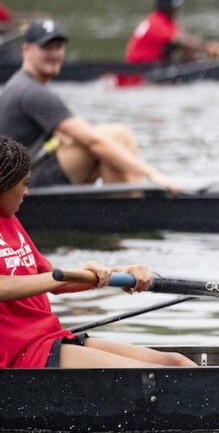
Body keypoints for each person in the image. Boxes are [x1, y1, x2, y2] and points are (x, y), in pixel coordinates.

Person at [0, 138, 195, 369]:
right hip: (19, 354)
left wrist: (113, 273)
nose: (27, 192)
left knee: (176, 363)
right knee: (161, 376)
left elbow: (58, 279)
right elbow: (49, 280)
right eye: (23, 183)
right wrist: (57, 278)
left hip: (48, 338)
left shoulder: (10, 221)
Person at [0, 20, 181, 192]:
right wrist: (153, 173)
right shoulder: (33, 92)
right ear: (27, 50)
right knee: (116, 135)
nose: (54, 54)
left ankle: (125, 205)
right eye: (46, 47)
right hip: (23, 187)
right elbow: (94, 141)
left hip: (21, 177)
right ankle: (131, 209)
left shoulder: (19, 84)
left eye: (58, 47)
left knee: (105, 144)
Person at [125, 0, 219, 65]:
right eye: (175, 8)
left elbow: (186, 37)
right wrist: (208, 47)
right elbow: (182, 40)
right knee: (187, 45)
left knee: (190, 46)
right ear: (167, 9)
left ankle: (200, 65)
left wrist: (207, 46)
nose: (177, 10)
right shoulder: (155, 22)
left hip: (156, 61)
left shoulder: (167, 21)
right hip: (141, 66)